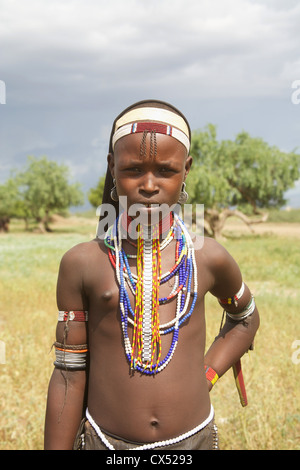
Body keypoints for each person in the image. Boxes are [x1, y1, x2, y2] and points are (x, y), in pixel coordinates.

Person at [44, 99, 259, 450]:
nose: (148, 185)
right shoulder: (83, 263)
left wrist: (206, 375)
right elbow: (68, 376)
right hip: (106, 444)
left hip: (196, 442)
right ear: (112, 167)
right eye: (132, 170)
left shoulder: (208, 257)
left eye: (165, 170)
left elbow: (246, 320)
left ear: (186, 169)